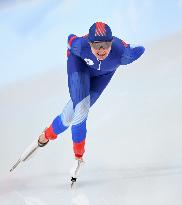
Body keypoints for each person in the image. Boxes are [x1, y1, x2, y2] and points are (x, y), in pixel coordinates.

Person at [10, 22, 145, 185]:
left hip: (102, 76)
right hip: (79, 65)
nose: (101, 50)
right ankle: (78, 158)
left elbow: (140, 48)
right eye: (97, 46)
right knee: (81, 109)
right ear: (90, 43)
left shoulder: (124, 54)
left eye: (106, 45)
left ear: (111, 43)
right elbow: (70, 38)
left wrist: (131, 45)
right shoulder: (80, 46)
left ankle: (45, 137)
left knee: (67, 118)